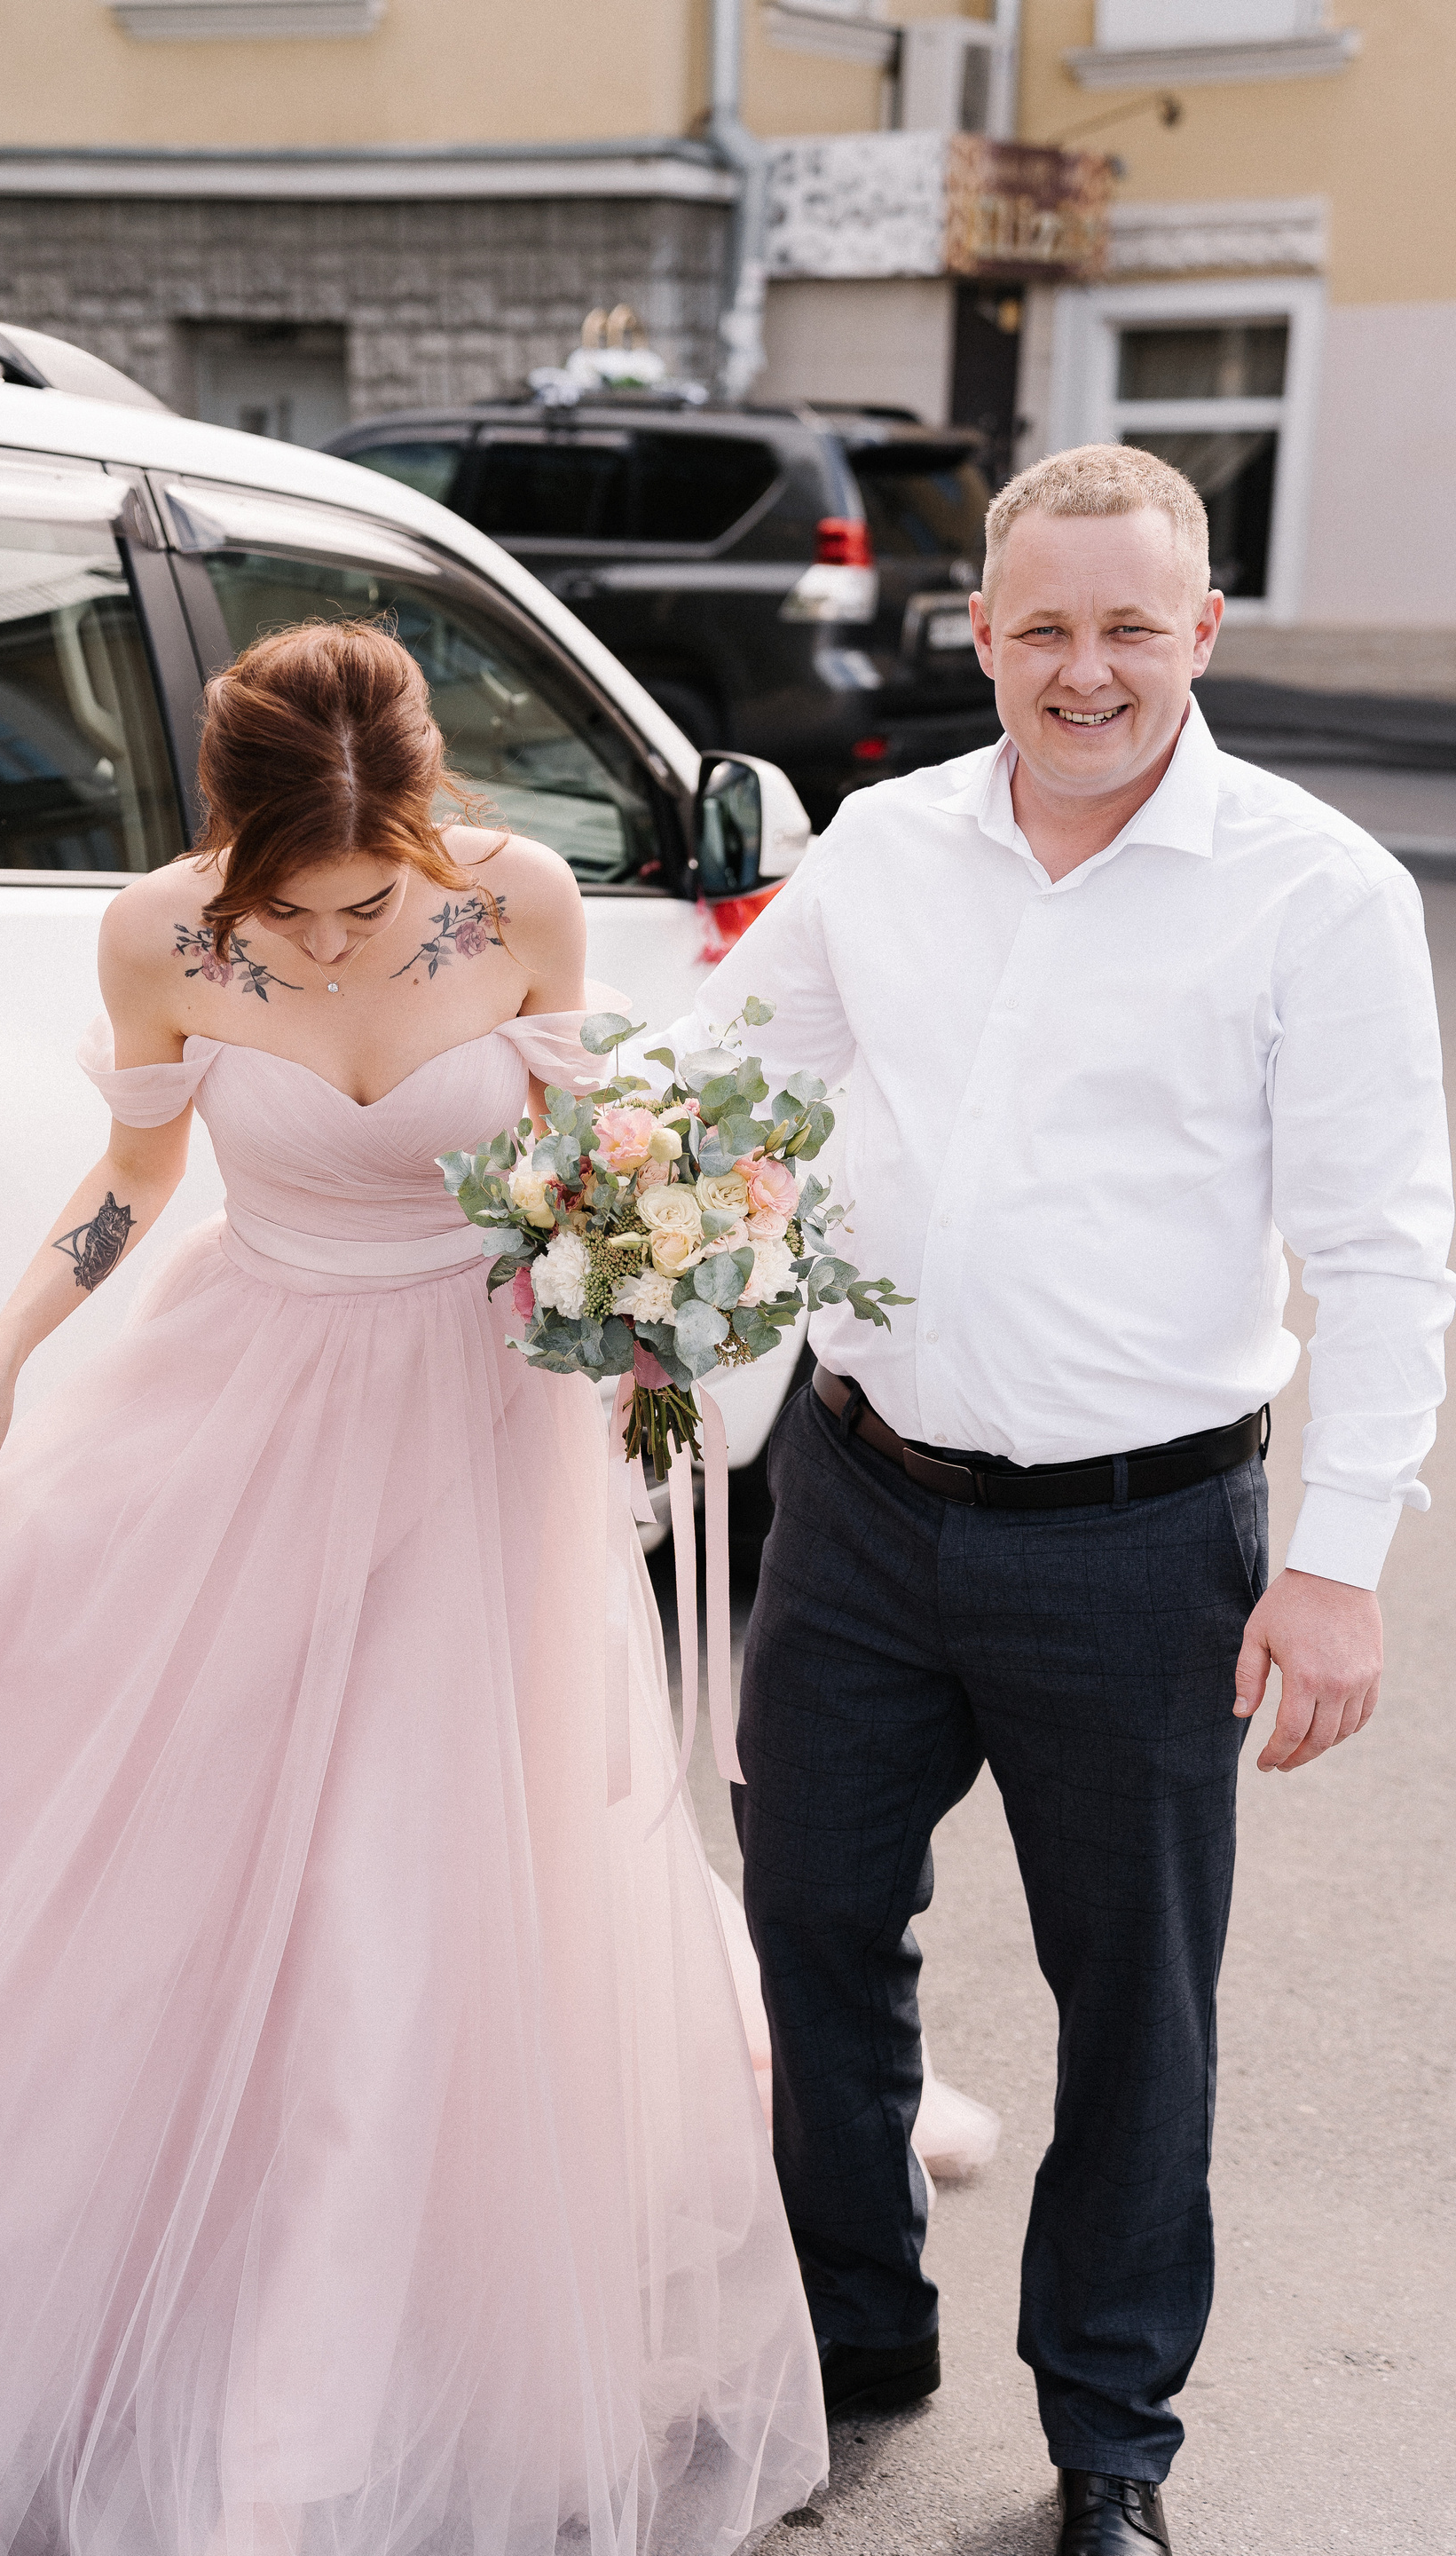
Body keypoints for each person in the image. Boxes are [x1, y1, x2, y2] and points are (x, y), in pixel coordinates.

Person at [0, 623, 829, 2556]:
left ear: (424, 818)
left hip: (474, 1438)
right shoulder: (158, 935)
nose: (330, 925)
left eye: (365, 892)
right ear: (229, 835)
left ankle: (311, 2423)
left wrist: (651, 1287)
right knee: (157, 1847)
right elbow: (134, 1178)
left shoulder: (522, 901)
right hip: (242, 1400)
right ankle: (117, 2262)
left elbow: (584, 1165)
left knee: (400, 1891)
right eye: (296, 898)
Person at [658, 445, 1453, 2555]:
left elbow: (1387, 1250)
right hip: (857, 1499)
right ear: (981, 634)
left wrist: (1339, 1565)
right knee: (814, 1922)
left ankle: (1113, 2431)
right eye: (1043, 628)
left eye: (1128, 628)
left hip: (1141, 1539)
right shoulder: (888, 842)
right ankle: (853, 2327)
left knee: (1135, 2002)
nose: (1084, 669)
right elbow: (719, 1079)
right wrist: (531, 1130)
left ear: (1203, 631)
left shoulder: (1315, 891)